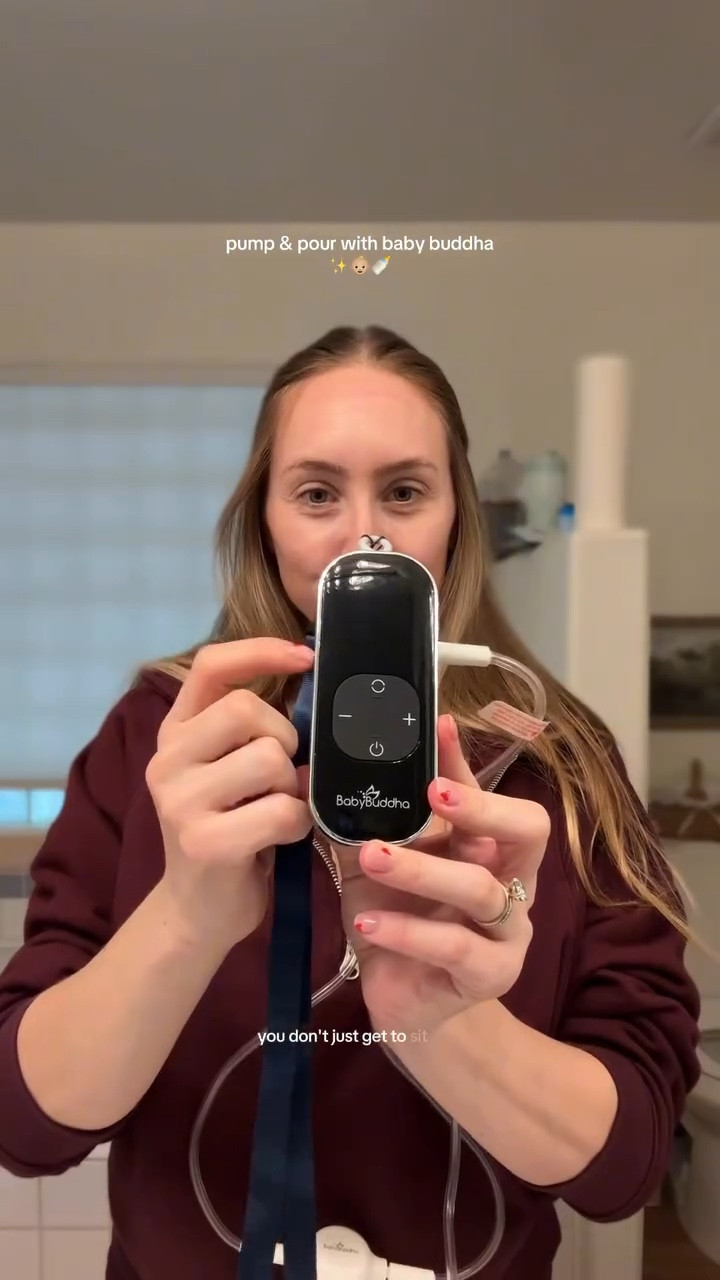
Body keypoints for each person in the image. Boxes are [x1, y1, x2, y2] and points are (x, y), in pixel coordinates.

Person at [0, 325, 700, 1280]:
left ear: (458, 521)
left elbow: (629, 1164)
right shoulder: (160, 738)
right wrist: (186, 918)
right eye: (317, 493)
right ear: (263, 521)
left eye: (405, 492)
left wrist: (445, 1023)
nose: (365, 534)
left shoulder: (557, 767)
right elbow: (25, 1125)